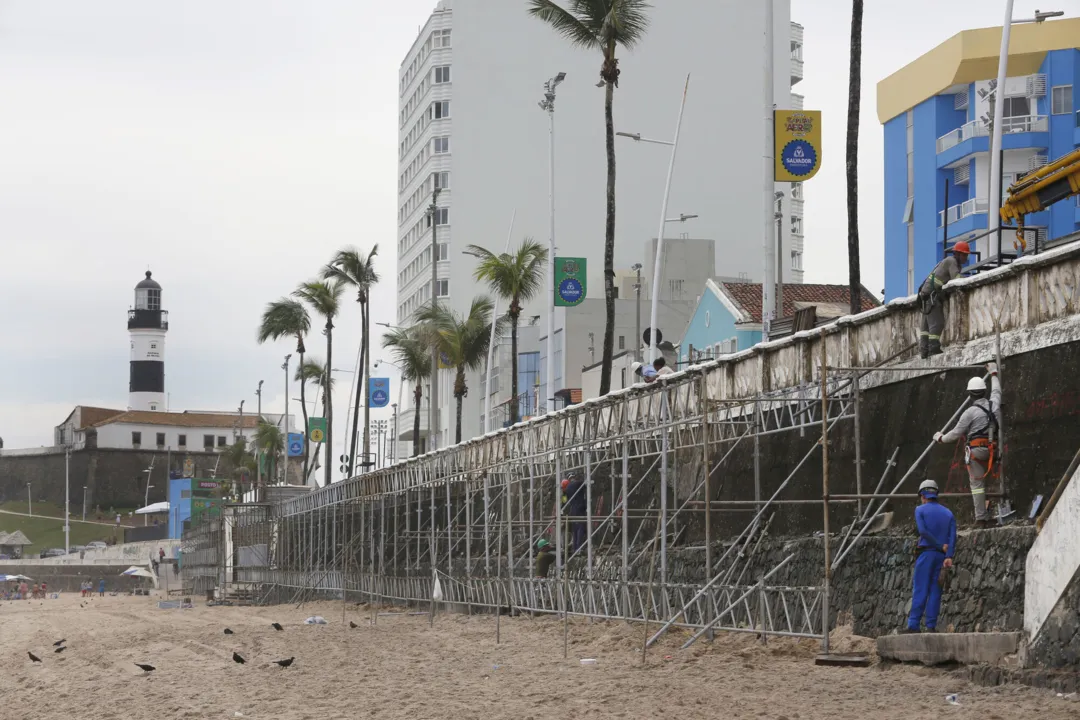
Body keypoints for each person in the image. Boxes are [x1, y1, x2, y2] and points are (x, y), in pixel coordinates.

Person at [934, 362, 1001, 526]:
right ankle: (993, 512)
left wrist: (940, 438)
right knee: (993, 482)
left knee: (977, 485)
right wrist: (993, 373)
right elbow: (997, 390)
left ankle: (981, 518)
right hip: (994, 449)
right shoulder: (995, 404)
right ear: (984, 391)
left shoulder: (969, 412)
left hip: (977, 452)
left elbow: (955, 434)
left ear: (970, 395)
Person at [905, 479, 956, 633]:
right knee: (935, 591)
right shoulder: (948, 513)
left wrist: (938, 545)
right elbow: (953, 537)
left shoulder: (920, 510)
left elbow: (923, 532)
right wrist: (948, 555)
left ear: (923, 495)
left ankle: (913, 625)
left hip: (926, 554)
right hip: (942, 558)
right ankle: (930, 626)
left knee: (920, 589)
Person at [917, 241, 969, 358]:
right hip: (932, 296)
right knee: (937, 323)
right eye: (964, 255)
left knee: (926, 326)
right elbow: (956, 278)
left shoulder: (947, 261)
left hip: (925, 296)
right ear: (958, 254)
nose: (966, 258)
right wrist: (970, 278)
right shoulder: (952, 262)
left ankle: (924, 350)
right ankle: (933, 348)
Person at [562, 472, 588, 553]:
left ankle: (575, 548)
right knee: (581, 527)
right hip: (580, 509)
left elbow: (564, 502)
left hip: (573, 510)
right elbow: (586, 485)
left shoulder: (566, 489)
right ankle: (579, 547)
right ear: (574, 477)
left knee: (575, 529)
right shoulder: (578, 483)